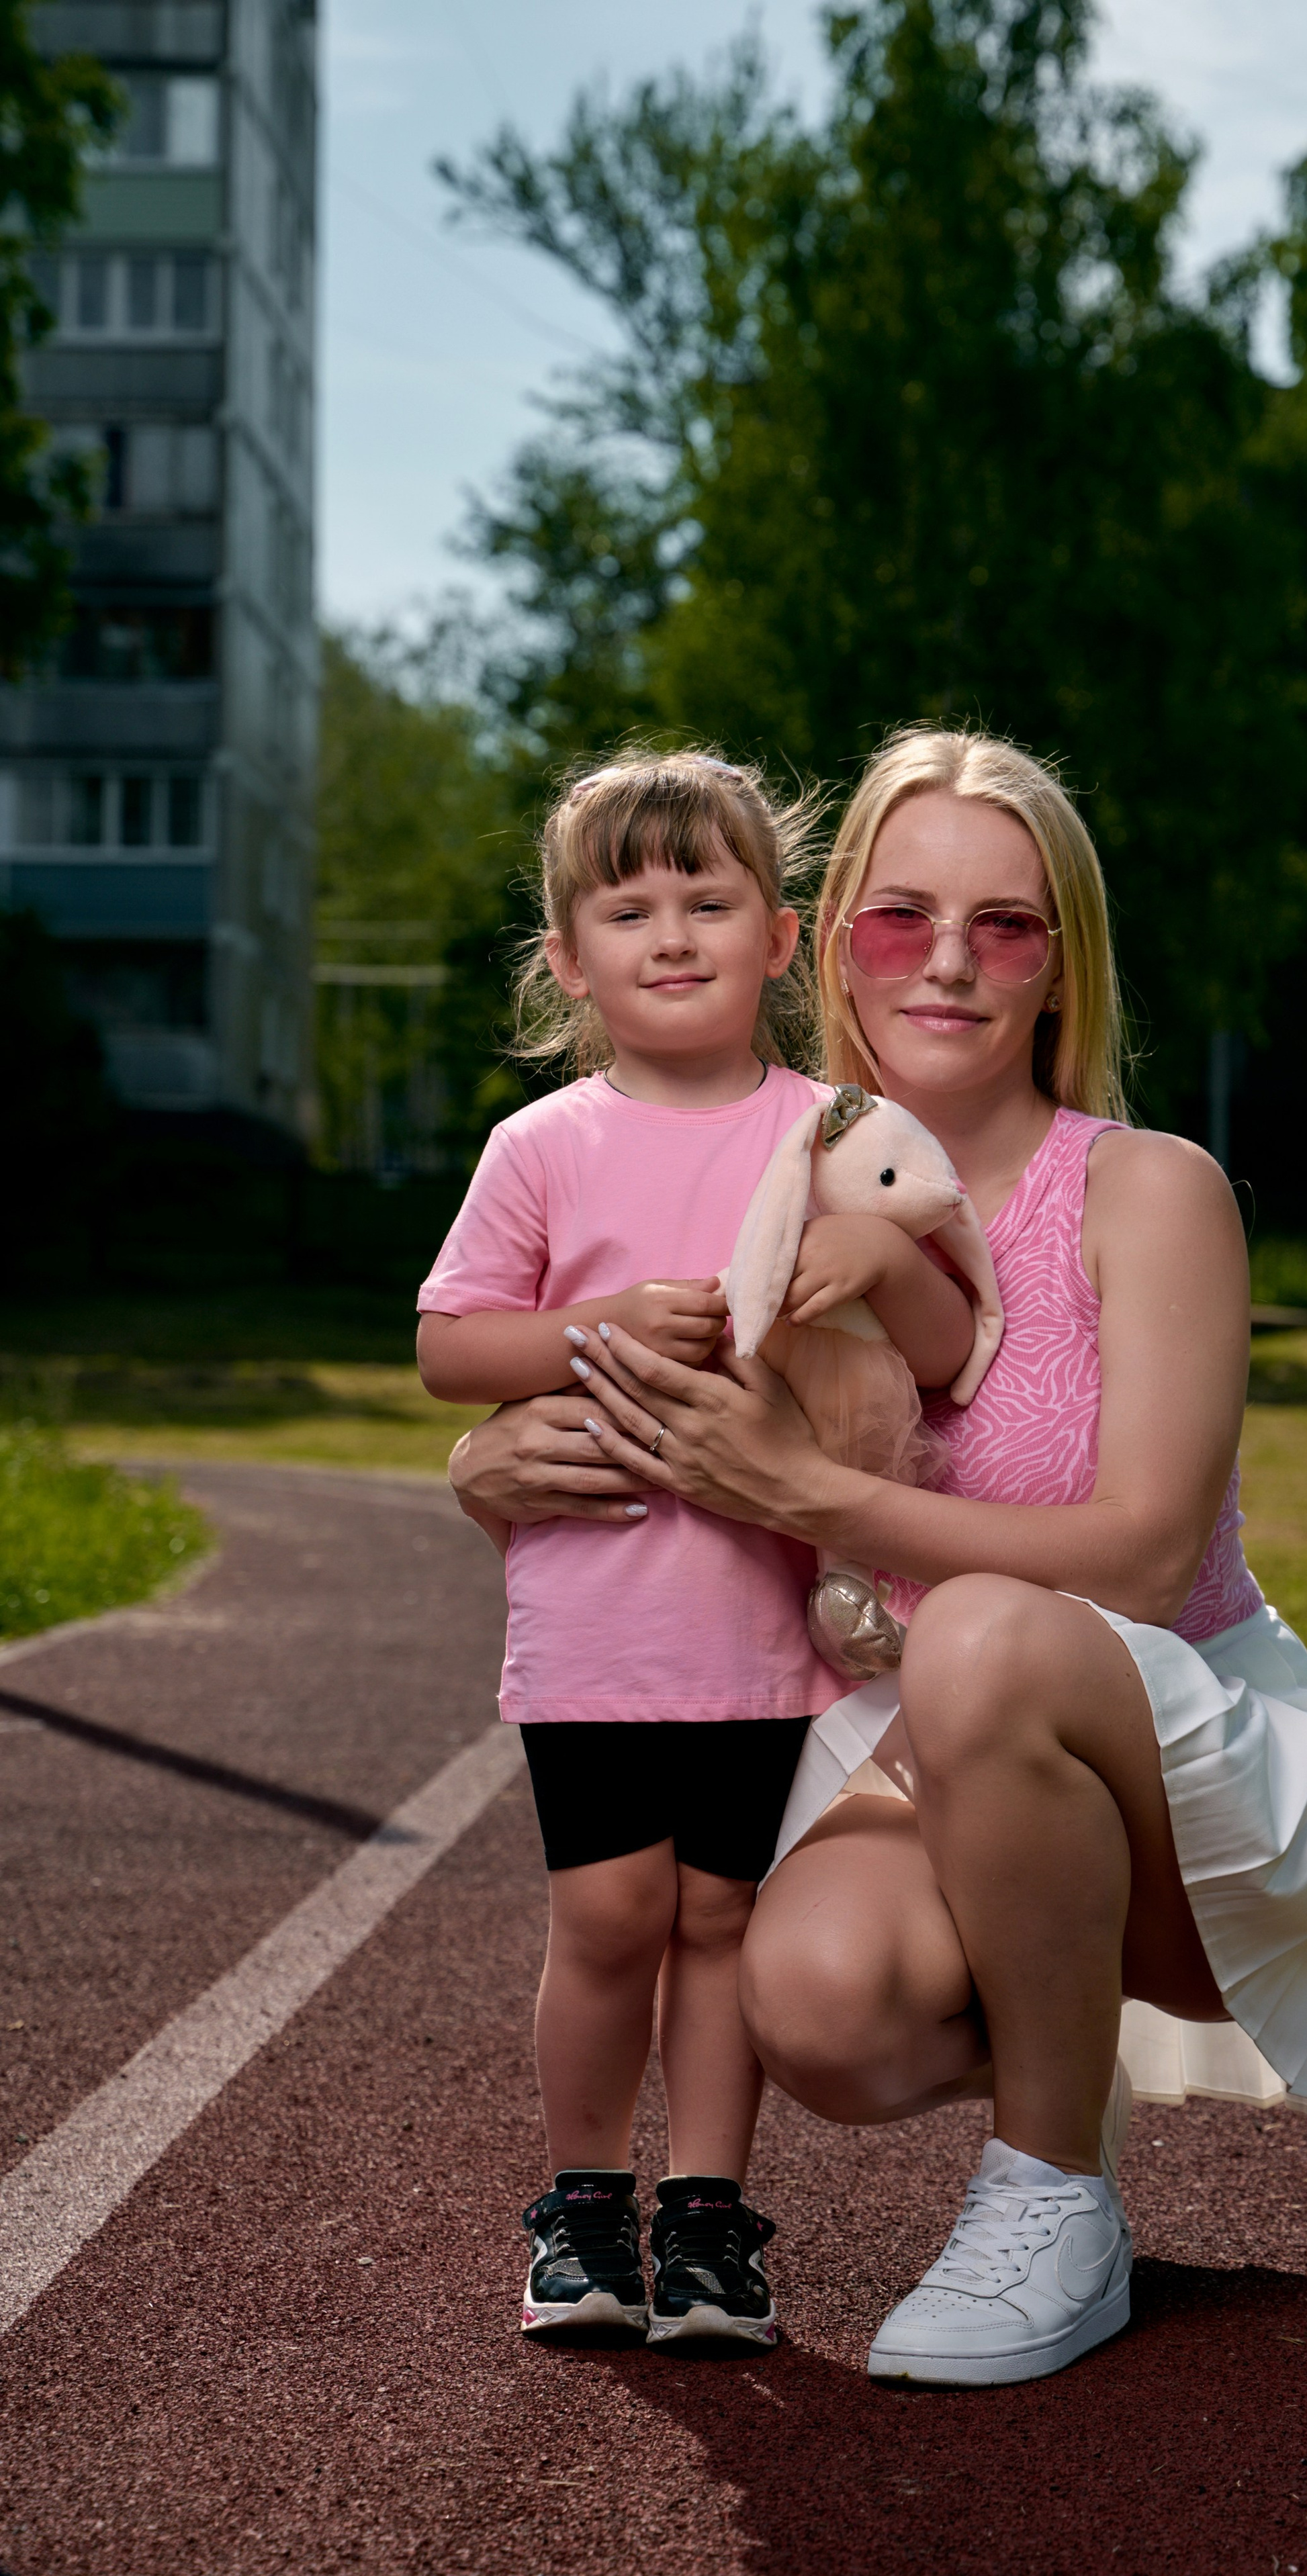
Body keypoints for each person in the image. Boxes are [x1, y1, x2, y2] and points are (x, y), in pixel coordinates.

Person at [447, 727, 1307, 2389]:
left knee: (975, 1631)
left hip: (1191, 1772)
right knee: (805, 1992)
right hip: (919, 1755)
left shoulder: (1149, 1188)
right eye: (900, 918)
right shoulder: (753, 1167)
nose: (949, 961)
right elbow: (595, 1361)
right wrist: (490, 1464)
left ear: (1059, 968)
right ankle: (1050, 2043)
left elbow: (1140, 1551)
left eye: (1006, 926)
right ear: (832, 946)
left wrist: (810, 1491)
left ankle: (1054, 2195)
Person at [418, 748, 975, 2349]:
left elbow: (941, 1338)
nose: (671, 933)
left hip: (761, 1626)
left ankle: (709, 2220)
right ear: (567, 959)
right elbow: (452, 1350)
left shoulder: (826, 1132)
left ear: (780, 937)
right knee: (607, 1916)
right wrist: (582, 1328)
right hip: (593, 1619)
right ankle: (584, 2205)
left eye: (708, 899)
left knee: (722, 1920)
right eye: (628, 905)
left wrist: (875, 1243)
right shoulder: (541, 1147)